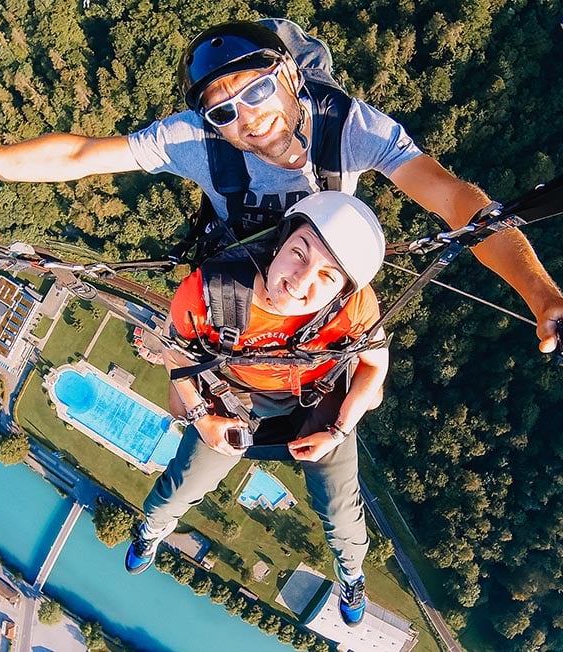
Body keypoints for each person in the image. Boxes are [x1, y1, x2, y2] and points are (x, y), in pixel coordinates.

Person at [0, 19, 563, 357]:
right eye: (222, 109)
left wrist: (542, 297)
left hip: (315, 271)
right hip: (239, 272)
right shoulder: (198, 141)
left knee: (339, 372)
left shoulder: (347, 126)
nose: (246, 117)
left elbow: (457, 202)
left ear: (290, 76)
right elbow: (80, 153)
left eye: (258, 88)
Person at [128, 192, 389, 626]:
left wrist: (340, 430)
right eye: (299, 254)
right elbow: (177, 357)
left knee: (343, 513)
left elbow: (374, 366)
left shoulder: (356, 307)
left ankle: (351, 573)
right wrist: (201, 417)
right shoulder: (208, 291)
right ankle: (153, 530)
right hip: (234, 402)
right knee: (179, 488)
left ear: (343, 290)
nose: (300, 282)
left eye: (327, 278)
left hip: (316, 403)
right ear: (281, 241)